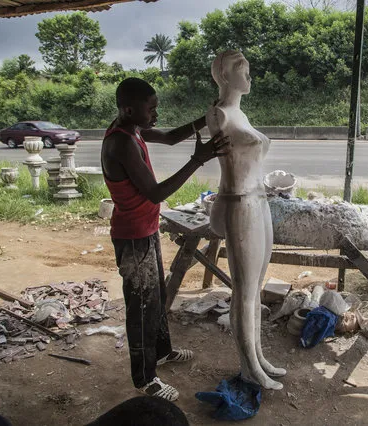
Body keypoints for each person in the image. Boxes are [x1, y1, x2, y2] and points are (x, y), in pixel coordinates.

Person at [100, 77, 229, 401]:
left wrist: (208, 117)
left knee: (155, 297)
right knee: (141, 308)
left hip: (145, 230)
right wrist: (198, 159)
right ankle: (144, 378)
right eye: (151, 108)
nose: (156, 114)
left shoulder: (132, 128)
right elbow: (156, 193)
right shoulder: (122, 142)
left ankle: (161, 352)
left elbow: (172, 137)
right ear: (129, 109)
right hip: (133, 238)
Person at [207, 51, 285, 390]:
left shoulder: (241, 113)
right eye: (242, 68)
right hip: (238, 203)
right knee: (244, 289)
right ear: (223, 75)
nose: (249, 75)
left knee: (256, 287)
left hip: (258, 200)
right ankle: (249, 366)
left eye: (249, 68)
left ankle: (258, 356)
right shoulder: (219, 114)